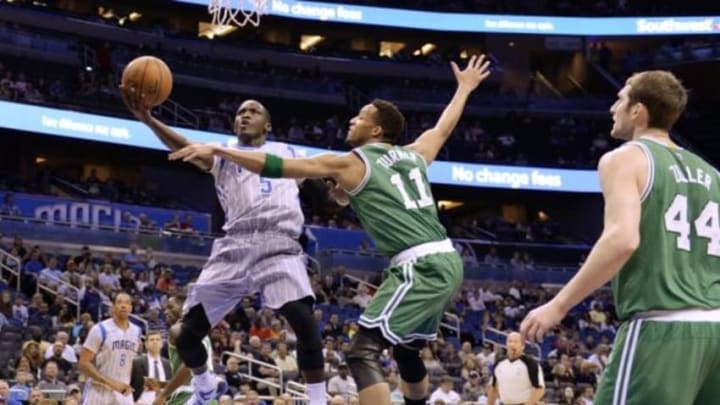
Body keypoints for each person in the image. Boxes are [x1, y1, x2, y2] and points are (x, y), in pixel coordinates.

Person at [169, 55, 491, 405]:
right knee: (406, 353)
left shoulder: (350, 161)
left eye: (361, 117)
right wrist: (464, 88)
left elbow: (276, 165)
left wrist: (219, 149)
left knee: (361, 353)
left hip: (419, 265)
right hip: (447, 259)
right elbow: (442, 129)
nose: (352, 120)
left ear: (376, 130)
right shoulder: (415, 154)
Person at [520, 70, 720, 404]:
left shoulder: (624, 158)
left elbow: (623, 239)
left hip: (663, 328)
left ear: (638, 111)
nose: (613, 107)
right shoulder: (712, 174)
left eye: (620, 98)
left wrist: (559, 305)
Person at [121, 89, 327, 405]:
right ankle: (205, 386)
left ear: (268, 125)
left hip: (279, 245)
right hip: (236, 245)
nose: (244, 115)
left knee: (306, 325)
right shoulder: (222, 154)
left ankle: (318, 401)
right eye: (240, 112)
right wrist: (149, 120)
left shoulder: (289, 151)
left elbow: (325, 178)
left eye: (253, 111)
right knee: (184, 334)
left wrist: (339, 189)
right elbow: (187, 147)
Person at [152, 292, 217, 405]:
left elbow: (189, 366)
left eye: (170, 307)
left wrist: (164, 394)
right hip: (208, 398)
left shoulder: (178, 329)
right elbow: (195, 374)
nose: (166, 311)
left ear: (185, 307)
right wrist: (163, 384)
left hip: (185, 398)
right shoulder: (202, 334)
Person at [78, 292, 142, 405]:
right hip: (98, 390)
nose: (123, 305)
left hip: (124, 390)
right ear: (112, 307)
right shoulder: (99, 329)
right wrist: (113, 383)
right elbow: (83, 363)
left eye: (127, 303)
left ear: (131, 308)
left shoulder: (137, 332)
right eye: (119, 302)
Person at [485, 332, 544, 405]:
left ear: (523, 346)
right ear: (506, 344)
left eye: (516, 342)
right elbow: (493, 388)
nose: (512, 344)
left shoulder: (530, 363)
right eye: (510, 341)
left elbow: (540, 389)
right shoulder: (499, 363)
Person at [130, 330, 172, 404]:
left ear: (162, 344)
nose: (155, 342)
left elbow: (170, 387)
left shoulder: (168, 364)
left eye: (158, 339)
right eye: (151, 340)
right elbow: (129, 384)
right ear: (146, 344)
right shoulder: (136, 362)